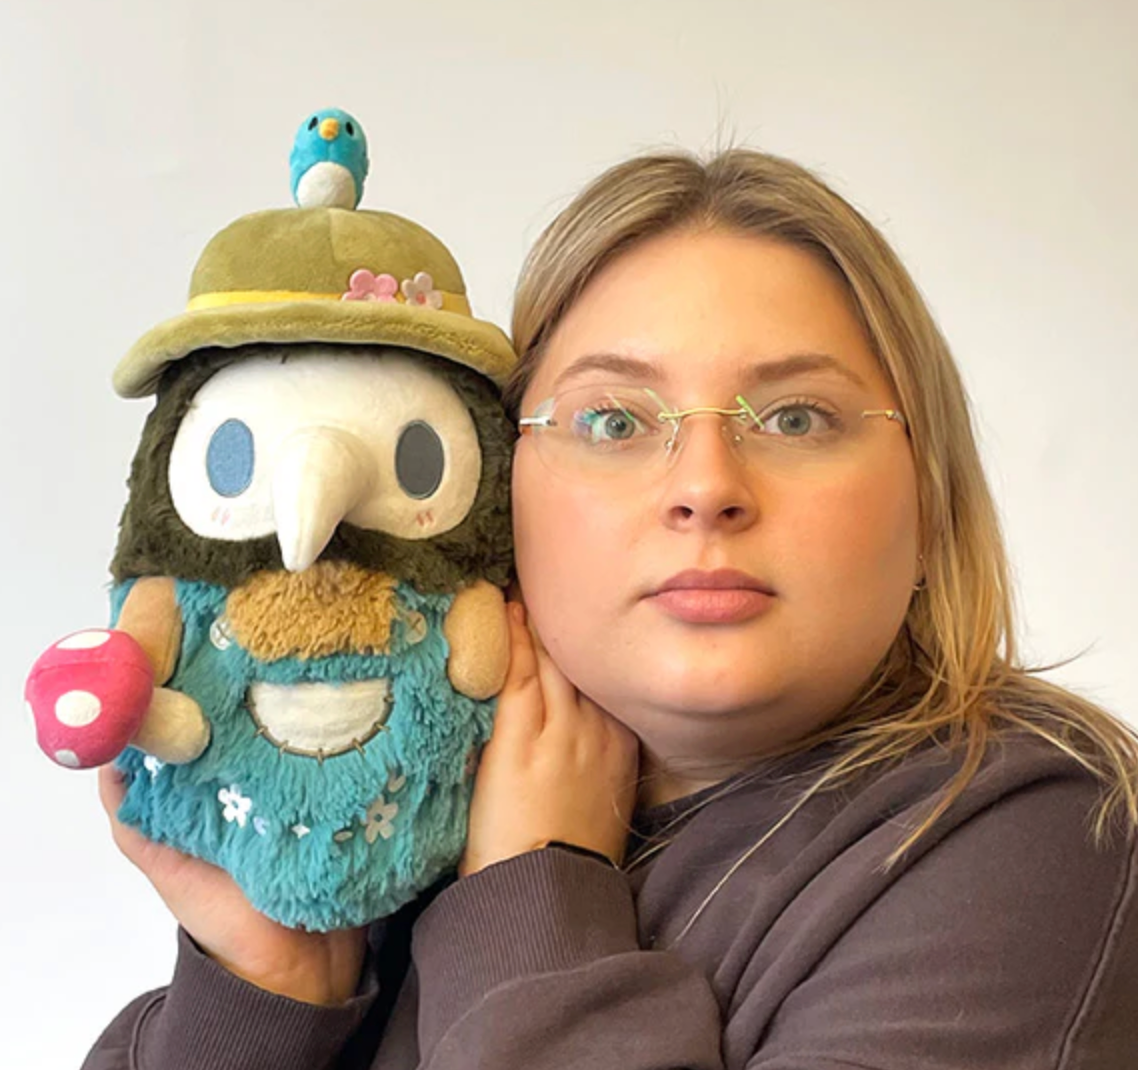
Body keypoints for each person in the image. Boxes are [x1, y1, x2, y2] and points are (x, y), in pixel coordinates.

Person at [85, 149, 1138, 1070]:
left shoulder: (1047, 832)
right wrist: (267, 988)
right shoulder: (397, 825)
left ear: (929, 496)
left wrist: (533, 895)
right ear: (504, 496)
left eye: (794, 414)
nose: (705, 482)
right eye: (612, 418)